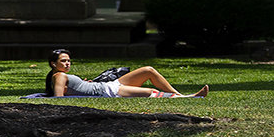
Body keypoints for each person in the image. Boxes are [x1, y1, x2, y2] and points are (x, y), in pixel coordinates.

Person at [44, 49, 209, 98]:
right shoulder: (59, 76)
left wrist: (82, 85)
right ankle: (187, 98)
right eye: (63, 61)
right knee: (151, 93)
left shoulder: (61, 76)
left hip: (108, 85)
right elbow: (59, 99)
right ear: (53, 64)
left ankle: (179, 95)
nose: (67, 63)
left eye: (68, 61)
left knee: (148, 70)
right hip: (109, 91)